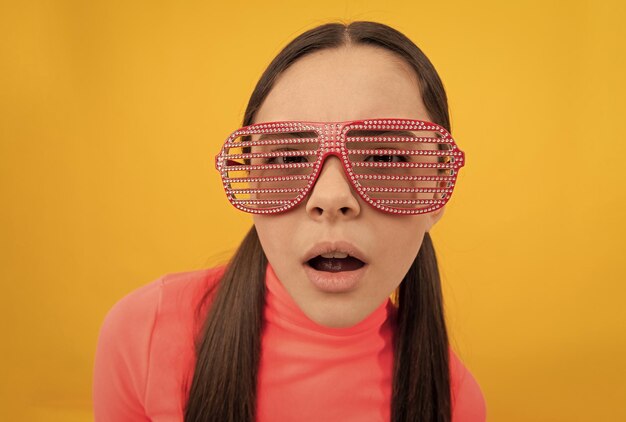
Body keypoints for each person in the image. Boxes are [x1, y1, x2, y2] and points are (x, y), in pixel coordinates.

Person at [93, 21, 486, 422]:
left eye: (386, 157)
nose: (332, 199)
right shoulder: (143, 334)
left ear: (437, 193)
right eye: (286, 157)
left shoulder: (456, 403)